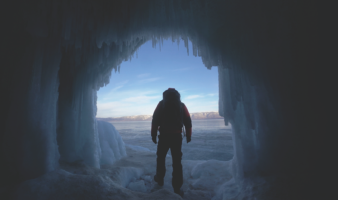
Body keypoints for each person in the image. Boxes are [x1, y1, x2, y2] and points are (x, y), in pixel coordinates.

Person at [151, 88, 192, 196]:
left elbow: (155, 119)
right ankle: (177, 188)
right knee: (177, 162)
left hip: (164, 136)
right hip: (176, 137)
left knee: (161, 157)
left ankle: (159, 179)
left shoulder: (161, 104)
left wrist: (153, 134)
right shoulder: (181, 105)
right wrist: (188, 135)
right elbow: (188, 121)